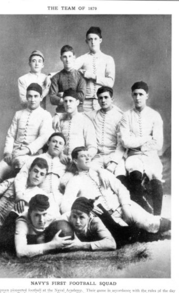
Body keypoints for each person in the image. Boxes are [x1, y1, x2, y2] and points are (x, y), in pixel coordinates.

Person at [60, 146, 171, 235]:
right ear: (75, 160)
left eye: (89, 156)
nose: (88, 158)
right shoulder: (74, 181)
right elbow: (65, 206)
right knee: (128, 234)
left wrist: (125, 206)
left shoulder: (102, 173)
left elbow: (121, 188)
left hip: (123, 207)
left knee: (151, 223)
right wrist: (86, 208)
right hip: (105, 217)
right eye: (83, 156)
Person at [0, 158, 59, 245]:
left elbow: (50, 213)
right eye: (35, 171)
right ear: (30, 170)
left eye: (41, 174)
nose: (37, 175)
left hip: (10, 227)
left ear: (44, 178)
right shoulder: (15, 181)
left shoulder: (39, 195)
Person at [0, 83, 53, 185]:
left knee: (16, 178)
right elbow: (10, 135)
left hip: (31, 156)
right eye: (30, 96)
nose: (32, 99)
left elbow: (43, 138)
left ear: (41, 98)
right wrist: (8, 152)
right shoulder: (18, 114)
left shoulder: (45, 115)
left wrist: (25, 151)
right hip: (14, 153)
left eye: (36, 96)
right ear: (26, 97)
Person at [119, 81, 164, 215]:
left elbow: (158, 143)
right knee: (135, 175)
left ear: (147, 96)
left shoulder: (155, 115)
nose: (138, 97)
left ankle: (157, 217)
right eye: (135, 94)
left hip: (151, 155)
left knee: (155, 176)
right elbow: (125, 142)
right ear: (131, 96)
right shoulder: (126, 116)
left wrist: (136, 141)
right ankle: (140, 216)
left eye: (141, 94)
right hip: (133, 155)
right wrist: (146, 138)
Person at [14, 132, 67, 211]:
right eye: (54, 141)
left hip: (58, 199)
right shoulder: (35, 159)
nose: (56, 145)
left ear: (63, 148)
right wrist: (20, 195)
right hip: (36, 196)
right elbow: (22, 176)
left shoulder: (64, 165)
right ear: (48, 143)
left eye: (60, 143)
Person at [75, 27, 115, 111]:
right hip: (85, 102)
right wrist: (50, 76)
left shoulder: (108, 59)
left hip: (102, 102)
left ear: (100, 40)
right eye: (90, 39)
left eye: (95, 39)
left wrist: (92, 76)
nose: (93, 42)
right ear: (86, 41)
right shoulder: (83, 58)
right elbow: (68, 69)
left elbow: (110, 83)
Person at [55, 88, 97, 164]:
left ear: (77, 102)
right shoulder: (60, 121)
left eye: (71, 101)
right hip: (61, 160)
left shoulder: (85, 121)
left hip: (79, 161)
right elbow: (55, 143)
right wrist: (60, 154)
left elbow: (92, 147)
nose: (68, 104)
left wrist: (82, 158)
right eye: (65, 101)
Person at [49, 45, 86, 113]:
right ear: (61, 58)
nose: (67, 60)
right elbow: (52, 98)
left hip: (78, 112)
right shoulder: (56, 77)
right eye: (65, 57)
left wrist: (63, 95)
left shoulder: (80, 76)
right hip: (62, 112)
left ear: (74, 58)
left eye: (70, 56)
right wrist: (69, 101)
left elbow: (82, 96)